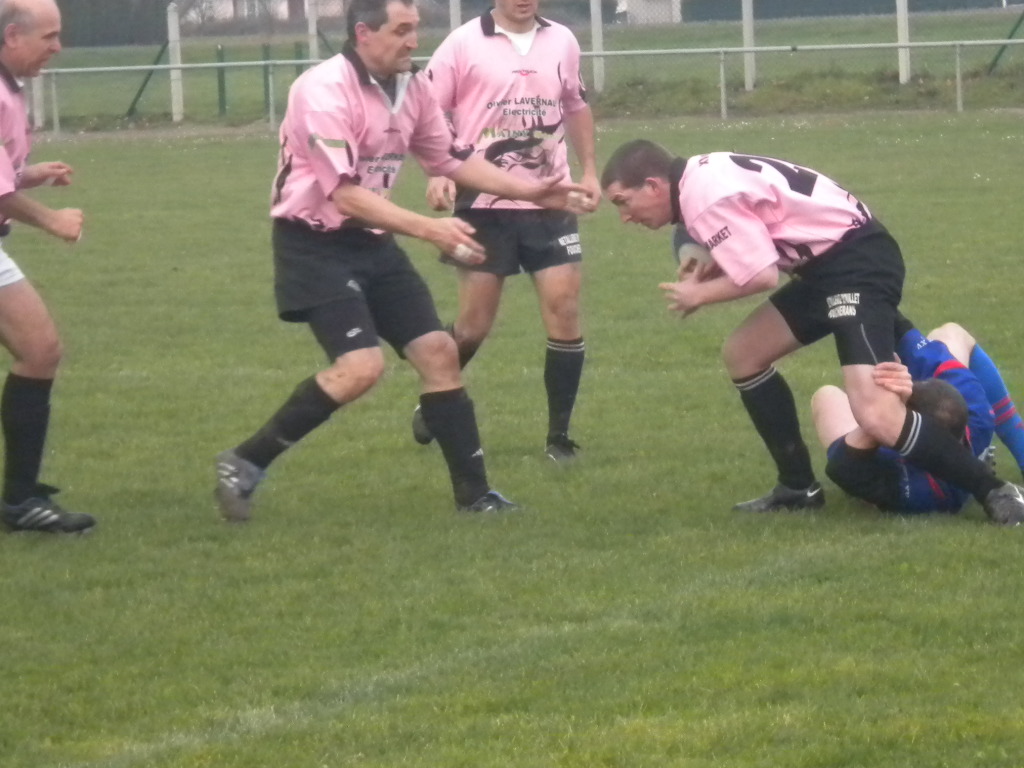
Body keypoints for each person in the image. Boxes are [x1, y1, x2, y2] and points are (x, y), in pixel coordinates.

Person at [214, 0, 592, 521]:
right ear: (363, 33)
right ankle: (245, 462)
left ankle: (476, 497)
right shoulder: (323, 90)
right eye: (402, 30)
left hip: (373, 241)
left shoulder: (410, 88)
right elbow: (344, 195)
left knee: (439, 353)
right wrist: (429, 227)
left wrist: (531, 192)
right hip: (313, 245)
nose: (414, 41)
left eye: (416, 29)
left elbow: (451, 159)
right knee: (361, 369)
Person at [600, 140, 1024, 526]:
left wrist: (698, 295)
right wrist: (712, 269)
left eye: (623, 201)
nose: (624, 216)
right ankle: (797, 488)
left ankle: (995, 491)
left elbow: (762, 275)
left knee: (874, 411)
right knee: (743, 353)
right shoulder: (700, 176)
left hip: (854, 265)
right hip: (827, 266)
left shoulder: (702, 195)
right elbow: (756, 241)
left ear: (653, 185)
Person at [411, 0, 599, 462]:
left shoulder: (563, 40)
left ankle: (559, 438)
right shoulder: (462, 43)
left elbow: (575, 105)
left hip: (551, 198)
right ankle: (435, 394)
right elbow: (426, 112)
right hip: (483, 202)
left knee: (565, 309)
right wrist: (437, 172)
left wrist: (590, 171)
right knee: (474, 325)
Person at [0, 0, 92, 534]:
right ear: (13, 35)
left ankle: (20, 499)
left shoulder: (9, 86)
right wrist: (52, 220)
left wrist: (26, 174)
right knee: (40, 350)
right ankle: (18, 500)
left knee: (40, 351)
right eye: (49, 36)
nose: (58, 47)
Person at [813, 318, 1024, 514]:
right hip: (970, 444)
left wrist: (878, 413)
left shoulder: (921, 490)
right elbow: (902, 330)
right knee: (950, 333)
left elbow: (841, 468)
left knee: (827, 396)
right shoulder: (975, 406)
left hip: (897, 474)